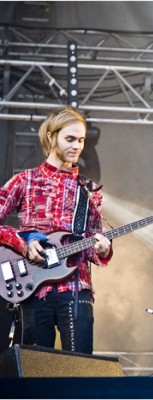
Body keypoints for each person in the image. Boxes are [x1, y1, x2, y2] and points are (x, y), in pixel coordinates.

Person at [0, 106, 112, 354]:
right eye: (70, 139)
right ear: (51, 137)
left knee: (80, 366)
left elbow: (94, 240)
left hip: (76, 286)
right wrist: (21, 243)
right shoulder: (24, 180)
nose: (77, 146)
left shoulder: (89, 190)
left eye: (81, 140)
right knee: (37, 370)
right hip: (32, 285)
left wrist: (103, 250)